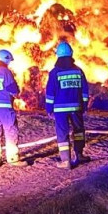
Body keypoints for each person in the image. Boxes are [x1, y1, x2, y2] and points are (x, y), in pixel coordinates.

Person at [45, 41, 89, 169]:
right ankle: (79, 154)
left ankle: (66, 161)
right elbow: (85, 90)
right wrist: (84, 104)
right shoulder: (78, 71)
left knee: (62, 133)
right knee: (79, 131)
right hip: (76, 107)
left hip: (60, 109)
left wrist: (49, 108)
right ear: (71, 54)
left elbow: (50, 92)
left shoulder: (55, 72)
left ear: (58, 55)